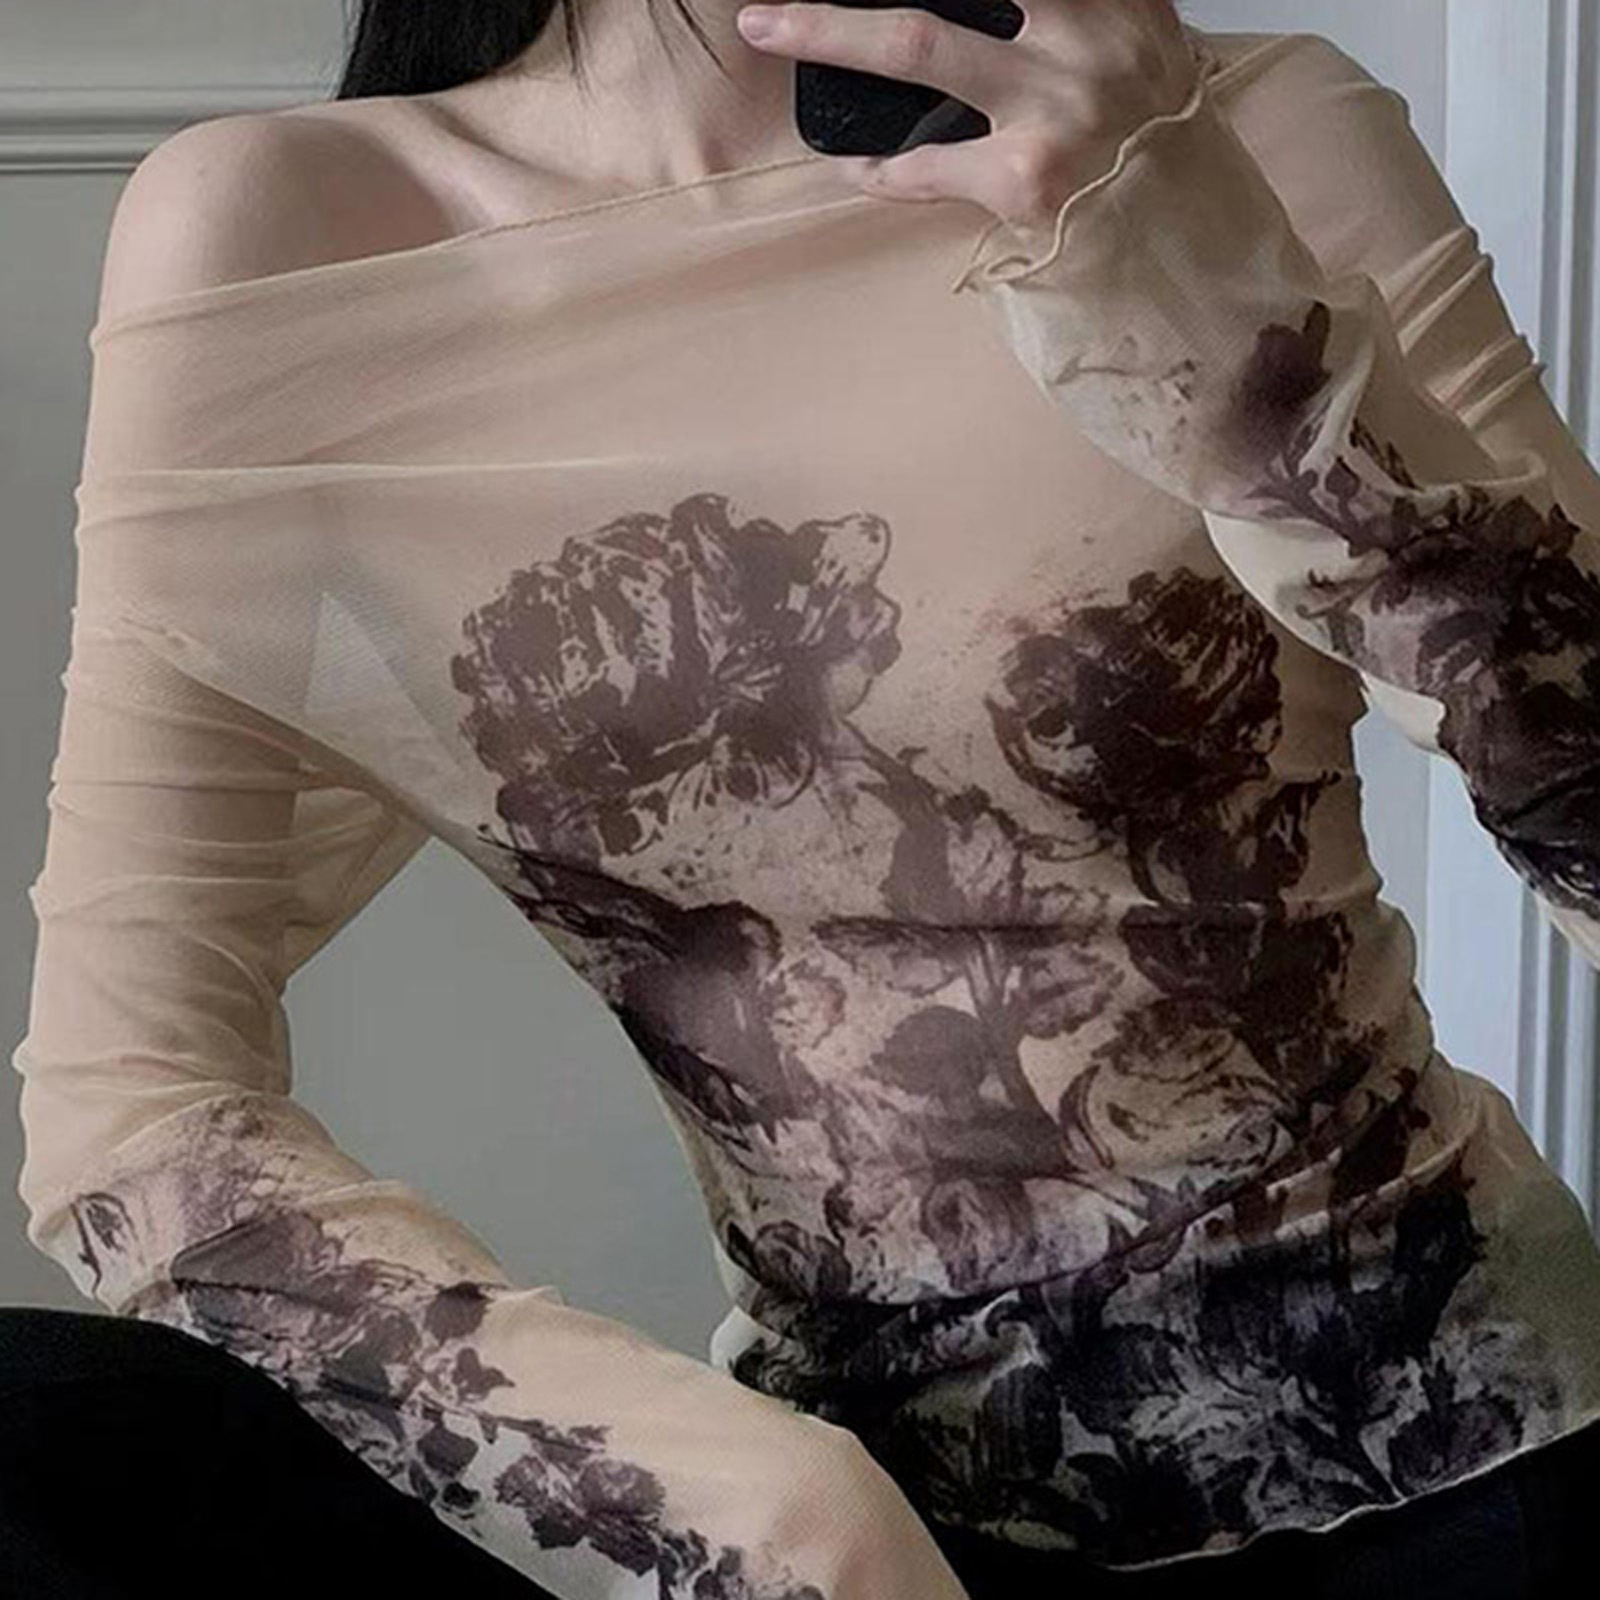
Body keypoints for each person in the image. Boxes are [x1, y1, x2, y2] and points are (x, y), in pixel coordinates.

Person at [5, 2, 1599, 1596]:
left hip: (1479, 1466)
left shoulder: (1245, 126)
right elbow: (131, 1114)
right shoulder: (290, 234)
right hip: (860, 1533)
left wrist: (1188, 276)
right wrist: (777, 1519)